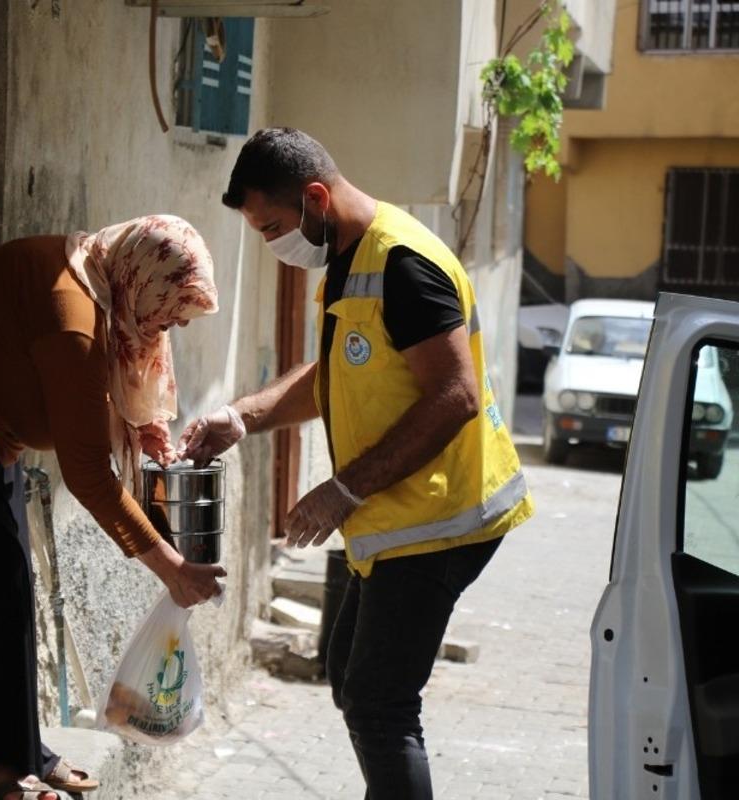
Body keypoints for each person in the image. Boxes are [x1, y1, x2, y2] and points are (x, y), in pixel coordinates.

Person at [178, 128, 534, 800]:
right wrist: (244, 416)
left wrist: (342, 490)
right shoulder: (348, 258)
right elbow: (337, 372)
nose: (272, 243)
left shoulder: (402, 264)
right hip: (397, 516)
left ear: (316, 197)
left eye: (274, 226)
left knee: (378, 701)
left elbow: (454, 395)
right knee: (350, 674)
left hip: (441, 517)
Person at [0, 215, 227, 800]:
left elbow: (121, 377)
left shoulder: (109, 284)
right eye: (173, 308)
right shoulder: (74, 317)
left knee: (9, 587)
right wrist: (171, 569)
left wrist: (146, 427)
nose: (174, 324)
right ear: (143, 279)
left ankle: (20, 751)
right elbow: (87, 474)